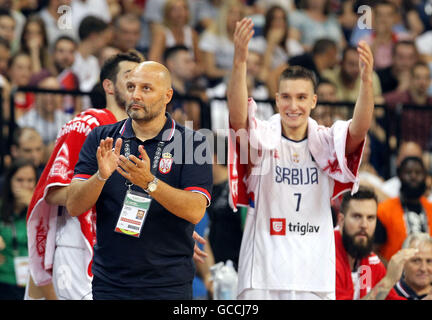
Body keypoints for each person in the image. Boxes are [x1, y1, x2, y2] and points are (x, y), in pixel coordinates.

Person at [227, 17, 374, 300]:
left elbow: (359, 128)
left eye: (301, 98)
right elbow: (237, 118)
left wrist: (366, 82)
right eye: (286, 97)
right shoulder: (262, 137)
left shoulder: (327, 142)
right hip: (263, 272)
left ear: (314, 101)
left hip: (313, 271)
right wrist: (240, 62)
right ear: (276, 99)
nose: (293, 106)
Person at [66, 61, 213, 300]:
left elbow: (196, 211)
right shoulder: (102, 137)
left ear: (167, 96)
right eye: (131, 86)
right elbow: (74, 205)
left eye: (146, 88)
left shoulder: (192, 143)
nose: (135, 95)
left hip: (168, 285)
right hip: (109, 283)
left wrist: (149, 183)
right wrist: (101, 176)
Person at [25, 51, 144, 300]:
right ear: (108, 86)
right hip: (79, 245)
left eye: (142, 82)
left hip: (121, 252)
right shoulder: (89, 123)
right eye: (129, 78)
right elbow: (53, 192)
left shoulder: (142, 137)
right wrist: (101, 184)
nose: (136, 88)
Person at [335, 187, 411, 300]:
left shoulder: (369, 258)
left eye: (370, 218)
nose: (364, 225)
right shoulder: (326, 256)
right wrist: (389, 280)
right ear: (341, 220)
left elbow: (390, 298)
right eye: (357, 216)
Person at [375, 156, 432, 264]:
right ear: (399, 176)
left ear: (425, 176)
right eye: (408, 172)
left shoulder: (430, 209)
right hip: (395, 277)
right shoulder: (384, 210)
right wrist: (392, 272)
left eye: (418, 173)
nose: (413, 176)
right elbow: (373, 251)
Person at [0, 159, 37, 299]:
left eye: (30, 180)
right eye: (19, 180)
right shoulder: (1, 206)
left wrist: (32, 205)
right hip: (4, 279)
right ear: (9, 181)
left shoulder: (42, 210)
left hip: (33, 280)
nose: (25, 186)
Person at [394, 232, 432, 299]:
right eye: (416, 261)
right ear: (403, 263)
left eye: (429, 261)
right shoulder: (388, 294)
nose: (423, 268)